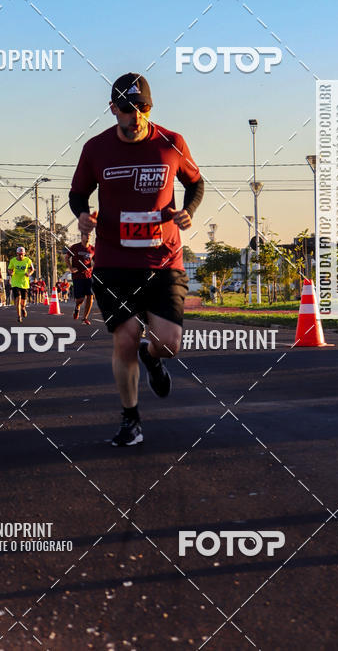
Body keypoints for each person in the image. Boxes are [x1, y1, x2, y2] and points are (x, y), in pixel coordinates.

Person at [69, 72, 204, 447]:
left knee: (170, 342)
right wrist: (83, 214)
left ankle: (153, 356)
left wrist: (188, 209)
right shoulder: (96, 149)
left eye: (142, 108)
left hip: (164, 259)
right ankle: (131, 419)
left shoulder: (171, 143)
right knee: (124, 338)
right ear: (113, 109)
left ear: (150, 108)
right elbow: (78, 193)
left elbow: (195, 182)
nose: (136, 116)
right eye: (128, 110)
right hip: (114, 261)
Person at [66, 233, 95, 325]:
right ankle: (77, 307)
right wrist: (71, 268)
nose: (88, 237)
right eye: (86, 235)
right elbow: (67, 257)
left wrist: (92, 268)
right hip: (77, 276)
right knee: (80, 299)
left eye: (89, 236)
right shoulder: (75, 247)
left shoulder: (92, 249)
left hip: (88, 276)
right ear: (82, 237)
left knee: (90, 296)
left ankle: (85, 317)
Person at [7, 246, 35, 322]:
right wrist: (11, 272)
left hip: (24, 283)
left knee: (23, 303)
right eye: (19, 254)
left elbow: (32, 269)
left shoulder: (28, 260)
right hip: (15, 283)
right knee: (18, 299)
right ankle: (19, 316)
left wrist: (29, 274)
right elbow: (9, 269)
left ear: (24, 254)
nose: (21, 256)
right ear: (17, 254)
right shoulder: (13, 261)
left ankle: (23, 308)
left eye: (22, 254)